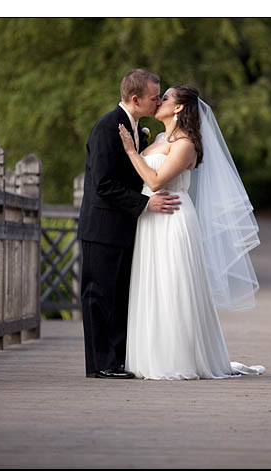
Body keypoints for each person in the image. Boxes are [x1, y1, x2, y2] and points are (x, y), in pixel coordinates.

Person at [118, 84, 265, 380]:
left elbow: (157, 180)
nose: (159, 100)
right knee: (153, 285)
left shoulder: (186, 144)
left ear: (179, 108)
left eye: (166, 97)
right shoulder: (160, 138)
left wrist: (132, 151)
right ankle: (150, 356)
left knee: (173, 285)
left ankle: (178, 358)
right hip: (151, 219)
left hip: (173, 218)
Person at [77, 69, 182, 379]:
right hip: (102, 228)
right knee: (99, 296)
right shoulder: (107, 128)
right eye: (154, 98)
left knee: (119, 296)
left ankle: (117, 360)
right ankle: (101, 365)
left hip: (125, 227)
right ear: (135, 99)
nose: (159, 101)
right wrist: (145, 203)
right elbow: (103, 184)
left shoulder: (137, 129)